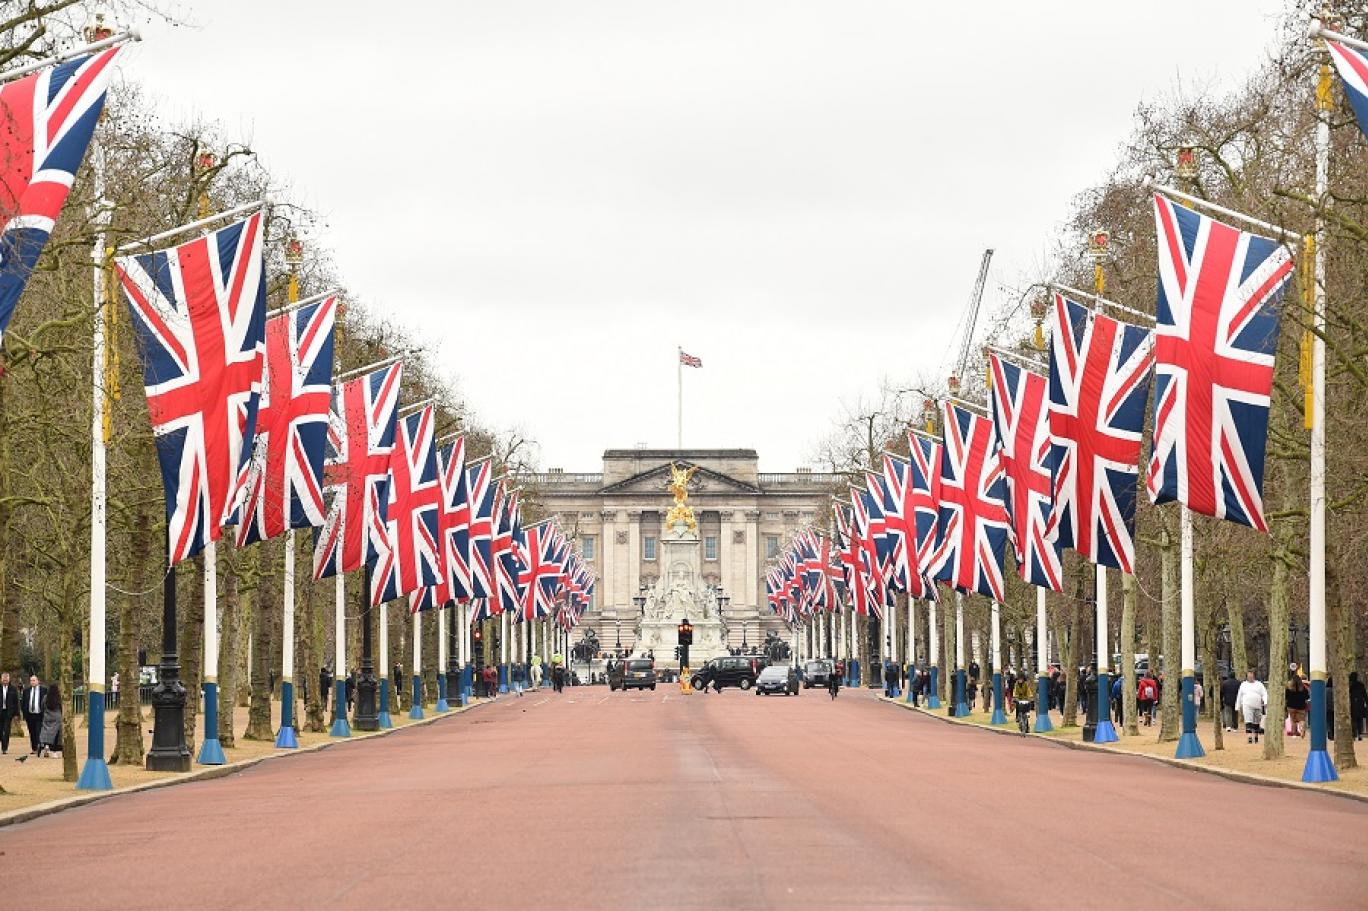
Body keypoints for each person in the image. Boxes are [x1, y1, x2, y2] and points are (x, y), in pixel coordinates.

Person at [1235, 670, 1268, 744]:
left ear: (1254, 676)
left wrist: (1265, 702)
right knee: (1248, 720)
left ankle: (1256, 736)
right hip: (1247, 704)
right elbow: (1239, 695)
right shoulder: (1243, 684)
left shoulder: (1259, 684)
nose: (1250, 677)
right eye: (1248, 676)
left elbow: (1264, 693)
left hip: (1257, 705)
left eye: (1251, 676)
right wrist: (1238, 706)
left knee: (1256, 721)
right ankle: (1249, 736)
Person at [23, 674, 45, 755]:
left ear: (37, 681)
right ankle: (34, 748)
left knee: (38, 731)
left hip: (39, 714)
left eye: (34, 680)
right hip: (30, 715)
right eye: (31, 680)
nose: (32, 682)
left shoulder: (43, 690)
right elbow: (24, 703)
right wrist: (25, 714)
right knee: (32, 732)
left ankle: (39, 747)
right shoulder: (26, 691)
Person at [39, 681, 62, 758]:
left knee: (46, 732)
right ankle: (54, 751)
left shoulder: (45, 697)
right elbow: (62, 708)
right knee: (55, 734)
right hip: (57, 717)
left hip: (47, 716)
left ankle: (46, 745)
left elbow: (42, 707)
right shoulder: (59, 697)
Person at [1285, 672, 1310, 738]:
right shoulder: (1303, 688)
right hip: (1301, 706)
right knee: (1302, 720)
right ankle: (1302, 730)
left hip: (1291, 706)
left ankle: (1294, 733)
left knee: (1293, 720)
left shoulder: (1289, 688)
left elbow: (1286, 697)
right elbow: (1307, 697)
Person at [0, 671, 19, 754]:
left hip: (8, 713)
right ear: (1, 679)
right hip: (0, 712)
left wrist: (17, 714)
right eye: (3, 678)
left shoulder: (13, 689)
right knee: (0, 731)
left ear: (9, 679)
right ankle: (3, 743)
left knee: (6, 730)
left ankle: (4, 748)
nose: (5, 680)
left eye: (6, 678)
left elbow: (16, 702)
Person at [1350, 672, 1367, 742]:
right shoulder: (1361, 685)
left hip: (1353, 703)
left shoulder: (1350, 685)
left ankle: (1354, 734)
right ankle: (1359, 734)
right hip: (1360, 703)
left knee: (1353, 720)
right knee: (1359, 720)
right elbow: (1365, 695)